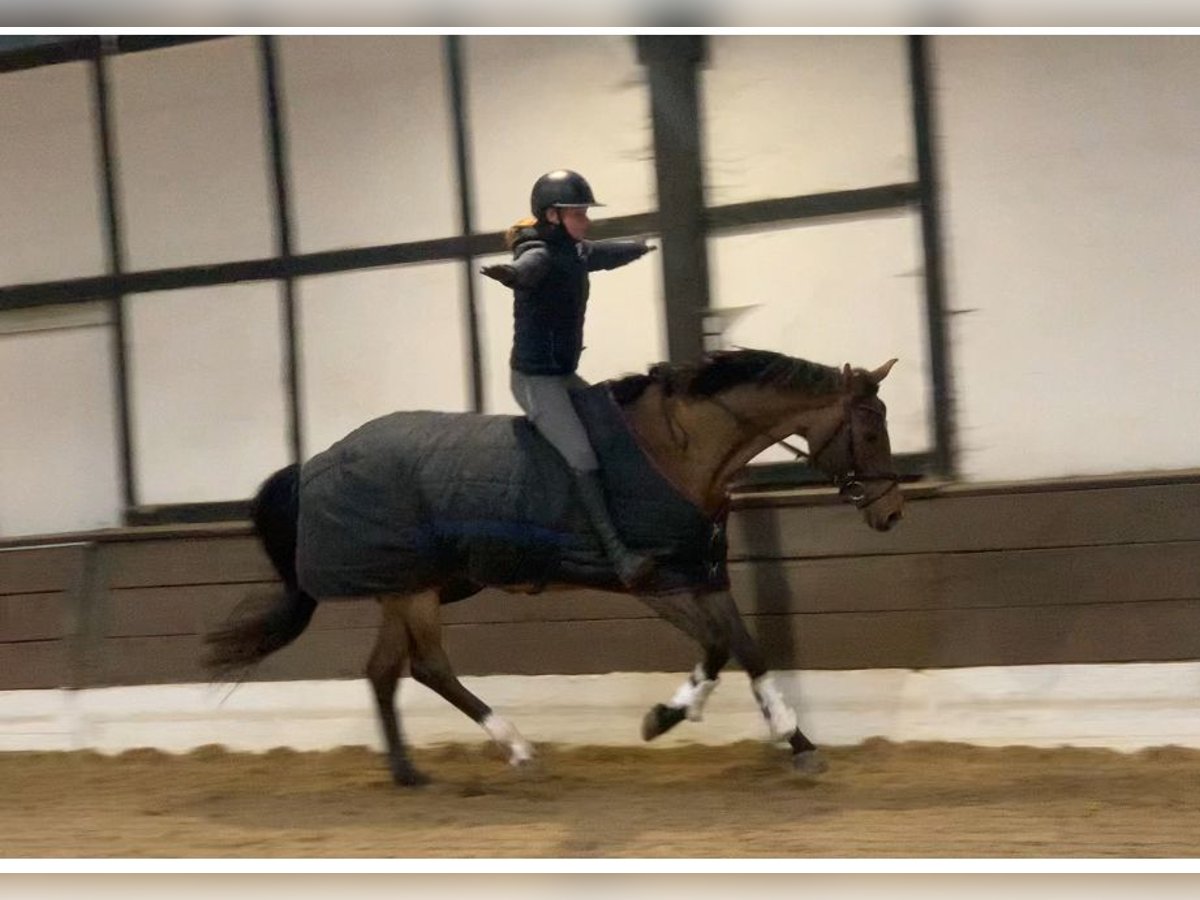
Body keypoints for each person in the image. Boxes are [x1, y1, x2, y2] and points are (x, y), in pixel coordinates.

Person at [481, 169, 657, 589]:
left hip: (563, 374)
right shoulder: (541, 253)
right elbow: (529, 268)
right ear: (553, 216)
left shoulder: (575, 252)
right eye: (578, 213)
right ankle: (616, 554)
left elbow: (604, 254)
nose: (586, 220)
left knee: (613, 427)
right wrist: (512, 275)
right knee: (581, 456)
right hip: (535, 382)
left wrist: (641, 247)